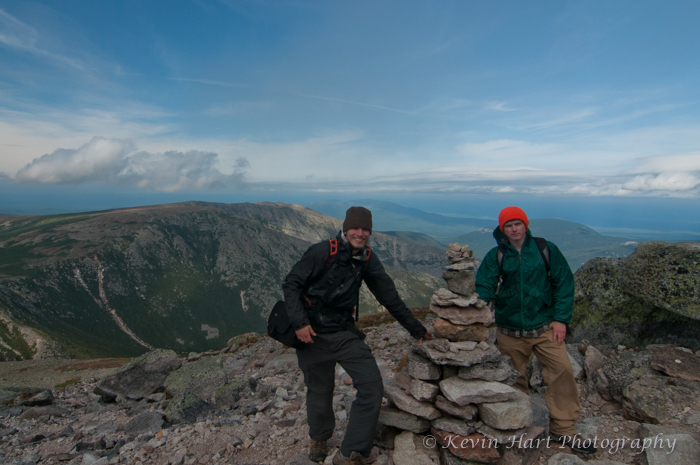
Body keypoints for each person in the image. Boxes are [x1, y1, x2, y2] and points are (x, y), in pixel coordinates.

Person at [283, 206, 433, 465]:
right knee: (319, 390)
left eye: (365, 229)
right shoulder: (322, 251)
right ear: (345, 228)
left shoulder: (368, 259)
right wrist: (299, 323)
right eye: (355, 228)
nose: (360, 233)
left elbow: (389, 297)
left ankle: (352, 452)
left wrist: (417, 329)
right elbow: (291, 284)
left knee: (372, 386)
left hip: (344, 333)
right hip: (312, 335)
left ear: (370, 232)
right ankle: (319, 438)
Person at [474, 206, 596, 455]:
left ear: (526, 225)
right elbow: (485, 285)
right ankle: (518, 427)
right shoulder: (496, 254)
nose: (514, 228)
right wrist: (477, 310)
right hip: (509, 330)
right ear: (503, 229)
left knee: (562, 371)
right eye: (509, 225)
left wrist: (561, 319)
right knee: (514, 379)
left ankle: (564, 430)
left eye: (518, 223)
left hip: (544, 328)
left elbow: (564, 282)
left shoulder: (545, 249)